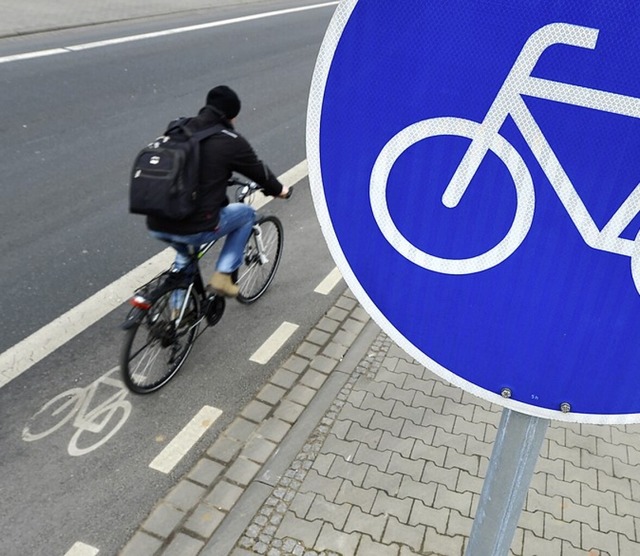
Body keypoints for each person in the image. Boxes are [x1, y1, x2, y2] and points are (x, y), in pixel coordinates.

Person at [147, 85, 290, 297]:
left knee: (185, 255)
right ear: (230, 115)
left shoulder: (178, 126)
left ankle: (176, 316)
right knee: (246, 214)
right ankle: (223, 277)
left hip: (156, 220)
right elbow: (260, 173)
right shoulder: (230, 141)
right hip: (195, 226)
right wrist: (280, 190)